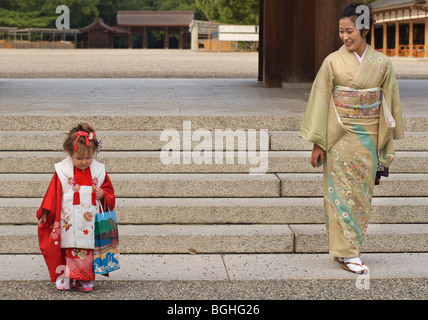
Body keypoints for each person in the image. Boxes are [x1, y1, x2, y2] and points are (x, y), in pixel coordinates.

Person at [299, 3, 404, 274]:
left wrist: (386, 143)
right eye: (341, 32)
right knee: (338, 196)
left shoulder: (382, 63)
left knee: (361, 196)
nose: (345, 37)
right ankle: (347, 253)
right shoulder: (332, 62)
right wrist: (318, 142)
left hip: (369, 137)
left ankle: (348, 249)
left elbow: (389, 104)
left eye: (350, 31)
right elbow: (320, 101)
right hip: (339, 136)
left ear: (365, 28)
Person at [37, 123, 115, 291]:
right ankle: (64, 275)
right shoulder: (62, 170)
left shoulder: (99, 171)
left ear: (94, 153)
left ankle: (83, 279)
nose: (84, 162)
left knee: (86, 249)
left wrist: (104, 194)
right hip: (68, 217)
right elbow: (53, 192)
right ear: (70, 153)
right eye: (78, 158)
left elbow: (108, 189)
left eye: (88, 158)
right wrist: (45, 211)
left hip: (90, 218)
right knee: (67, 246)